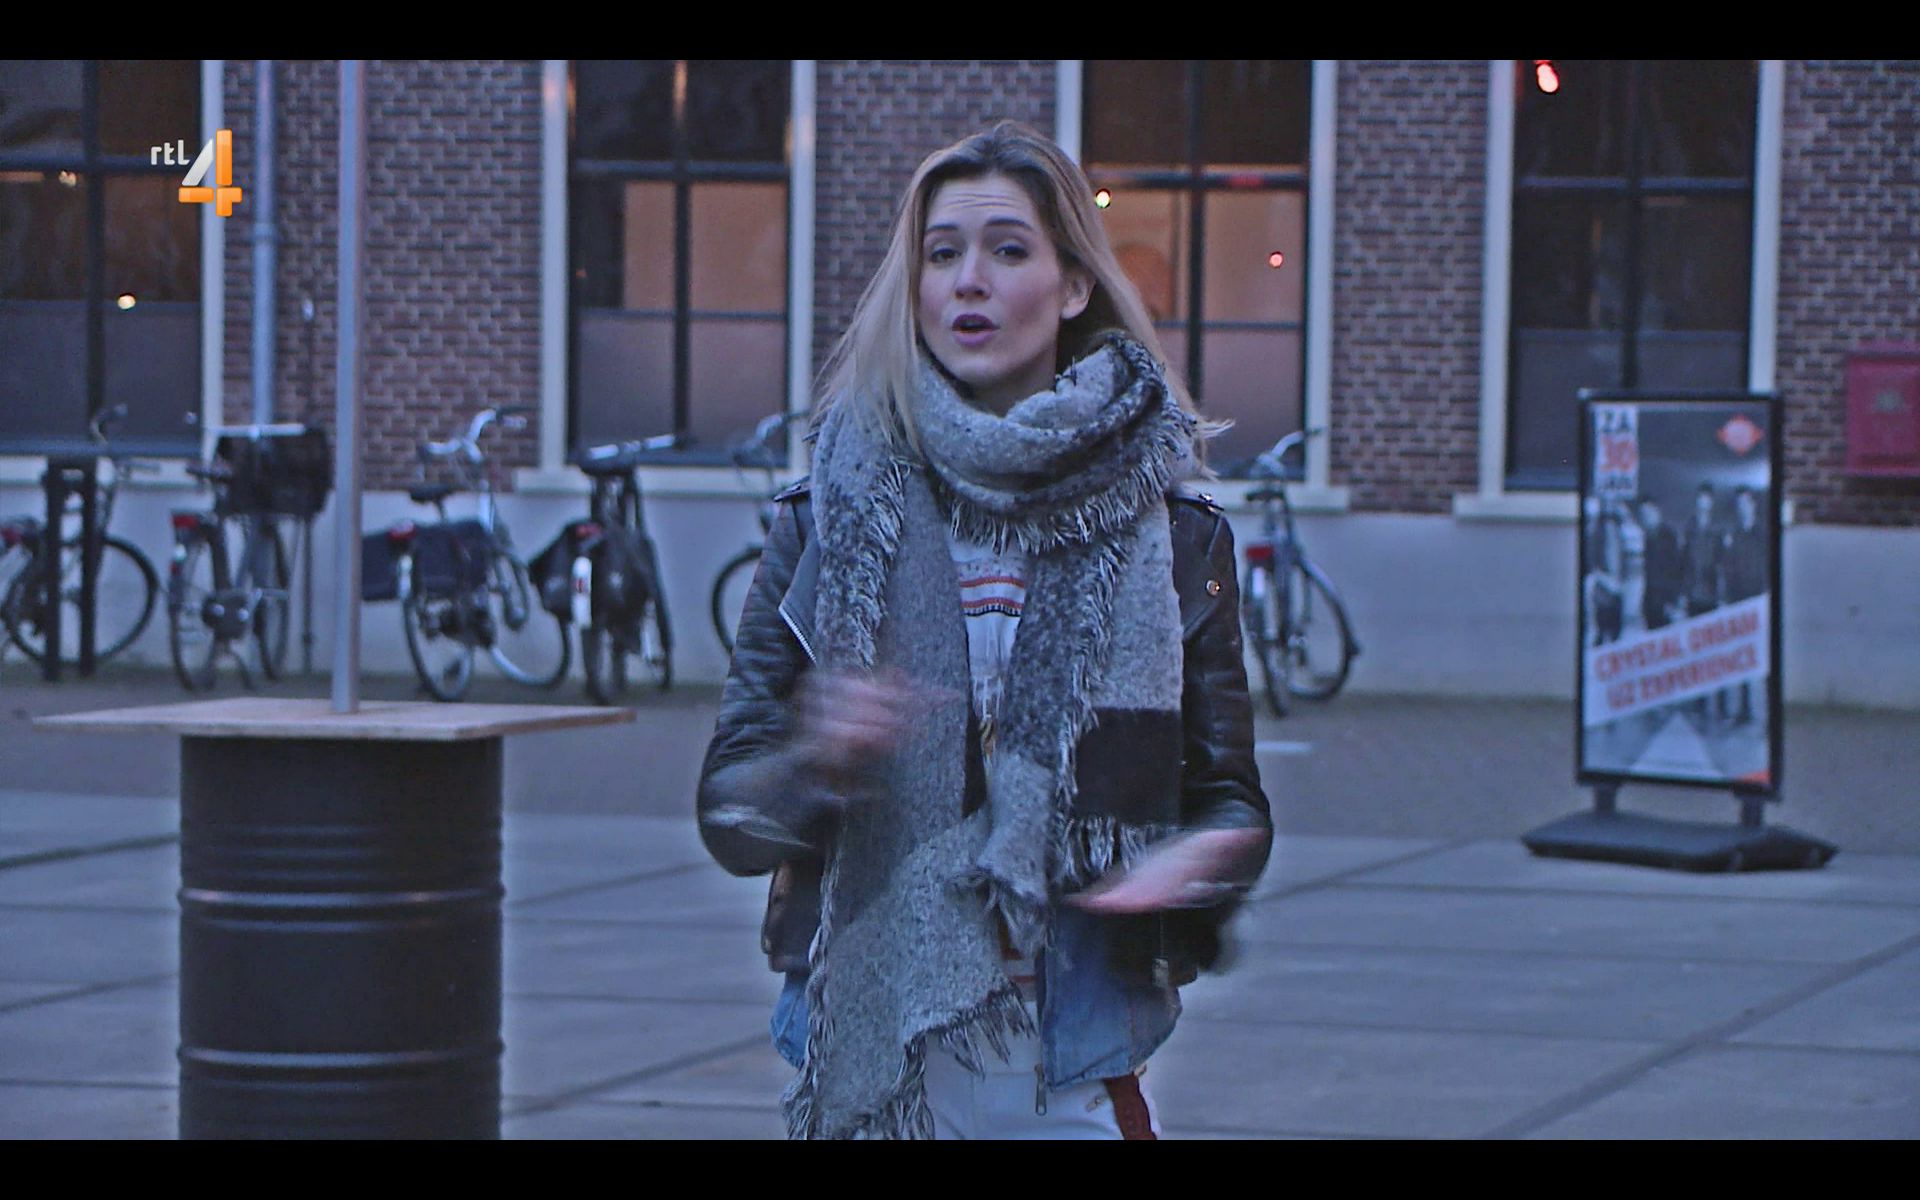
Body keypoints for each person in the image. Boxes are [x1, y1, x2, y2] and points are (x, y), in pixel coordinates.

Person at [696, 120, 1272, 1140]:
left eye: (1008, 250)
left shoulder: (1174, 535)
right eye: (942, 253)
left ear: (1073, 284)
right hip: (879, 1066)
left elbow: (1230, 800)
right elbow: (731, 815)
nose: (970, 281)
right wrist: (816, 759)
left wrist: (1200, 859)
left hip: (1073, 1060)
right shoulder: (828, 517)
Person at [1637, 494, 1683, 631]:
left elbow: (1676, 570)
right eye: (1643, 515)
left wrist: (1672, 601)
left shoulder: (1668, 536)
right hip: (1650, 604)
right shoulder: (1648, 538)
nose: (1646, 518)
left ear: (1657, 511)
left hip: (1664, 604)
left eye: (1649, 513)